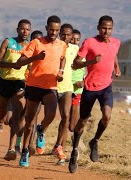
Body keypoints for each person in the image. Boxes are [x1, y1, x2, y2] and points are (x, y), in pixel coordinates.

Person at [68, 15, 121, 173]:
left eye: (110, 28)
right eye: (104, 28)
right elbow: (75, 64)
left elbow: (113, 54)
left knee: (107, 116)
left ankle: (95, 141)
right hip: (90, 87)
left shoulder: (116, 42)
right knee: (83, 121)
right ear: (98, 27)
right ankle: (74, 150)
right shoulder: (89, 42)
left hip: (106, 86)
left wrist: (116, 67)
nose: (106, 31)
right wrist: (91, 62)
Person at [14, 15, 67, 167]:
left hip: (50, 87)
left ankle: (41, 129)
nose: (53, 33)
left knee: (51, 114)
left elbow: (62, 58)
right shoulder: (36, 42)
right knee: (29, 122)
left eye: (56, 30)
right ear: (46, 28)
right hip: (34, 86)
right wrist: (36, 57)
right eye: (51, 30)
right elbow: (19, 63)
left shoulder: (61, 44)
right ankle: (24, 151)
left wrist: (61, 71)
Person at [0, 19, 31, 161]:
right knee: (3, 116)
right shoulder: (8, 42)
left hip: (19, 84)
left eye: (27, 29)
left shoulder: (30, 47)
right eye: (22, 29)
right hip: (4, 82)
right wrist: (11, 65)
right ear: (17, 30)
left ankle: (11, 149)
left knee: (17, 118)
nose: (25, 32)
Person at [52, 23, 79, 165]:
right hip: (52, 86)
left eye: (69, 35)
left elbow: (81, 64)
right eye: (63, 34)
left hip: (68, 87)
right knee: (48, 116)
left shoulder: (75, 49)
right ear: (59, 33)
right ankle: (39, 133)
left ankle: (59, 147)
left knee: (66, 117)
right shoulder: (54, 46)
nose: (66, 37)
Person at [27, 30, 44, 156]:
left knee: (33, 118)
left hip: (36, 87)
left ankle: (30, 145)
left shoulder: (44, 54)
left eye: (39, 39)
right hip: (22, 85)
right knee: (17, 119)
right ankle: (17, 142)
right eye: (34, 40)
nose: (36, 42)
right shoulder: (26, 52)